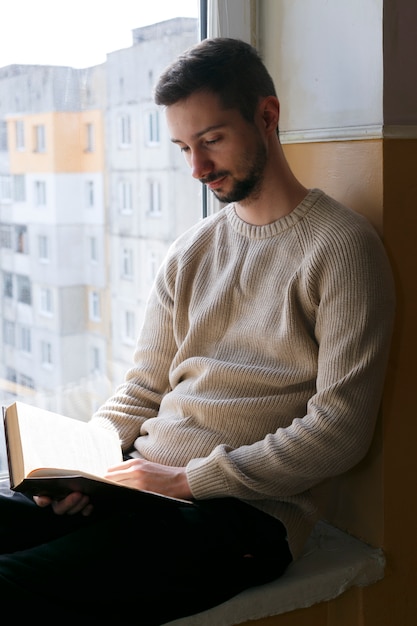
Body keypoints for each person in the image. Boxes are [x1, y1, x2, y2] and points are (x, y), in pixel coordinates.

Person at [0, 38, 395, 625]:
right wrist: (83, 465)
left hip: (239, 518)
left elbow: (339, 431)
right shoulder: (191, 250)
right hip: (140, 485)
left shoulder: (340, 247)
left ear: (268, 116)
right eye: (185, 147)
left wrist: (187, 480)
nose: (197, 168)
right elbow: (142, 389)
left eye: (211, 141)